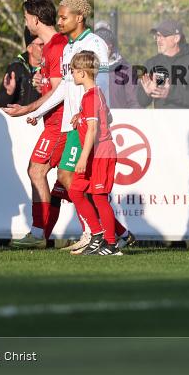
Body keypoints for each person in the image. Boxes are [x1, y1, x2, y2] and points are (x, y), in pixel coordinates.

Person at [4, 0, 114, 254]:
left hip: (86, 122)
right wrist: (34, 109)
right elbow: (64, 87)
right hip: (71, 123)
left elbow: (103, 82)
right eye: (59, 17)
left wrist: (93, 112)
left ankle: (105, 235)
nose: (59, 21)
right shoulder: (69, 46)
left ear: (79, 17)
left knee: (72, 180)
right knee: (71, 180)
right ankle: (99, 234)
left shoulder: (94, 43)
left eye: (64, 17)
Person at [67, 50, 121, 256]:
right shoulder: (94, 94)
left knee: (99, 197)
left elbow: (93, 129)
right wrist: (79, 116)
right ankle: (97, 234)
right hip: (93, 154)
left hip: (100, 154)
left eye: (73, 71)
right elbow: (108, 118)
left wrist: (82, 157)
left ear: (82, 73)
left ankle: (111, 244)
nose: (71, 75)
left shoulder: (92, 96)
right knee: (75, 191)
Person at [137, 19, 189, 109]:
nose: (158, 40)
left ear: (176, 38)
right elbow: (142, 102)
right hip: (161, 121)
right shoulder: (151, 63)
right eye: (157, 36)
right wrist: (147, 93)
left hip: (187, 121)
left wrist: (170, 94)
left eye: (163, 36)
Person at [0, 30, 43, 108]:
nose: (45, 48)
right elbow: (0, 103)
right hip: (18, 119)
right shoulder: (16, 67)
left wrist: (42, 90)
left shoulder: (51, 68)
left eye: (46, 44)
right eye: (41, 45)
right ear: (29, 48)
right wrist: (9, 92)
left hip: (40, 119)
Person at [95, 26, 139, 109]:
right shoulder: (88, 69)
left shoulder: (127, 70)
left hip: (119, 119)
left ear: (111, 46)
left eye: (103, 45)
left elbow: (134, 103)